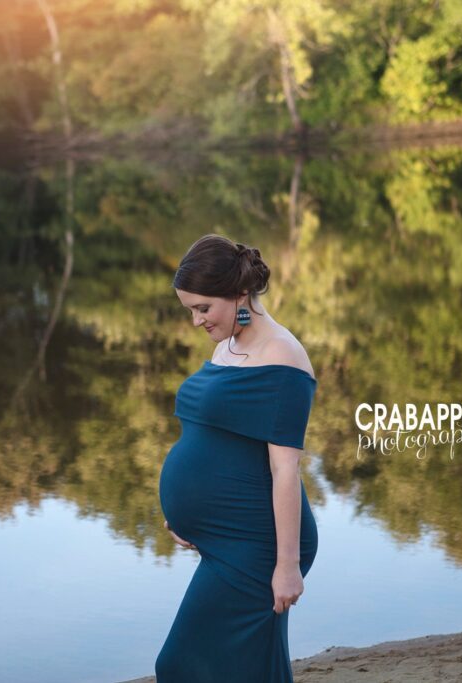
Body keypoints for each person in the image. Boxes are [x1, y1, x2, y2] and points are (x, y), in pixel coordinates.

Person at [155, 234, 319, 683]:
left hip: (260, 545)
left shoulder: (281, 355)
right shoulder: (227, 347)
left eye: (203, 308)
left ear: (239, 295)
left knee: (181, 666)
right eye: (190, 309)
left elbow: (285, 468)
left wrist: (287, 568)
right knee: (246, 668)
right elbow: (217, 439)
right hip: (226, 538)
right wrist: (189, 516)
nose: (195, 320)